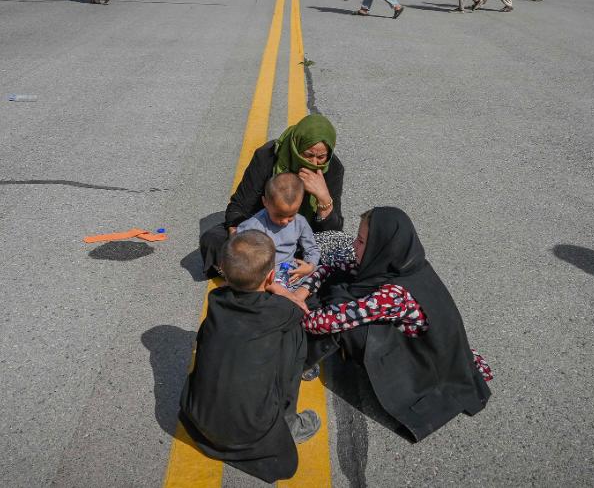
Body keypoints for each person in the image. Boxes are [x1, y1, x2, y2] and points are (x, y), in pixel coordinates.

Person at [300, 207, 492, 442]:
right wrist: (307, 287)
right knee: (342, 284)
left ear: (380, 246)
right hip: (436, 347)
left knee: (347, 323)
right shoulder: (404, 263)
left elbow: (329, 322)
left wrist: (296, 311)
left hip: (424, 365)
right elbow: (337, 268)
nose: (354, 247)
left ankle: (300, 360)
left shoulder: (394, 294)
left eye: (361, 242)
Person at [179, 230, 320, 483]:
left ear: (223, 270)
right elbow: (300, 310)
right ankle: (289, 421)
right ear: (271, 275)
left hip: (199, 419)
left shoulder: (216, 299)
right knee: (294, 335)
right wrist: (281, 290)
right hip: (249, 432)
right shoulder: (279, 310)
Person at [198, 114, 344, 278]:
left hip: (301, 238)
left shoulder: (333, 169)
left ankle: (254, 275)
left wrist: (323, 199)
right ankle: (259, 273)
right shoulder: (268, 156)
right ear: (295, 146)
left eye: (321, 157)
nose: (314, 163)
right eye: (308, 155)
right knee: (213, 239)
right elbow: (238, 207)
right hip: (261, 234)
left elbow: (334, 231)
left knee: (339, 250)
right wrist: (240, 244)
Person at [237, 173, 321, 282]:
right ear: (265, 202)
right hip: (263, 277)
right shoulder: (252, 227)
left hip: (291, 273)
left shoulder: (300, 222)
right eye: (279, 215)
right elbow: (238, 254)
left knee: (323, 272)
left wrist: (309, 266)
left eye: (291, 215)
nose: (285, 221)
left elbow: (312, 248)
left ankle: (296, 295)